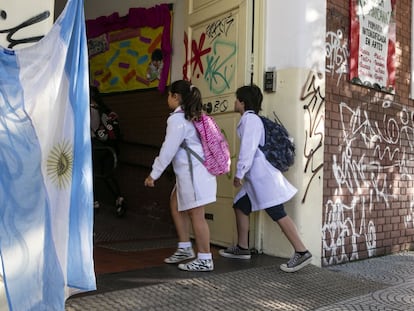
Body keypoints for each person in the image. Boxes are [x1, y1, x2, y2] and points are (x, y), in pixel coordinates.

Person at [219, 84, 312, 273]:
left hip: (263, 178)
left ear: (242, 102)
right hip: (256, 179)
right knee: (240, 206)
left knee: (277, 211)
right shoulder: (250, 119)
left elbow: (248, 149)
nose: (235, 102)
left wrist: (239, 174)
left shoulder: (250, 120)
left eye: (237, 99)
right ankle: (243, 248)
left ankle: (302, 252)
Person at [144, 80, 216, 272]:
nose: (167, 99)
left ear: (176, 97)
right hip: (193, 173)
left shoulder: (177, 120)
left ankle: (205, 257)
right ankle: (185, 247)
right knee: (176, 205)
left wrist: (154, 174)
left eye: (169, 95)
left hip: (194, 174)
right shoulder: (193, 115)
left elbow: (168, 150)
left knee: (196, 215)